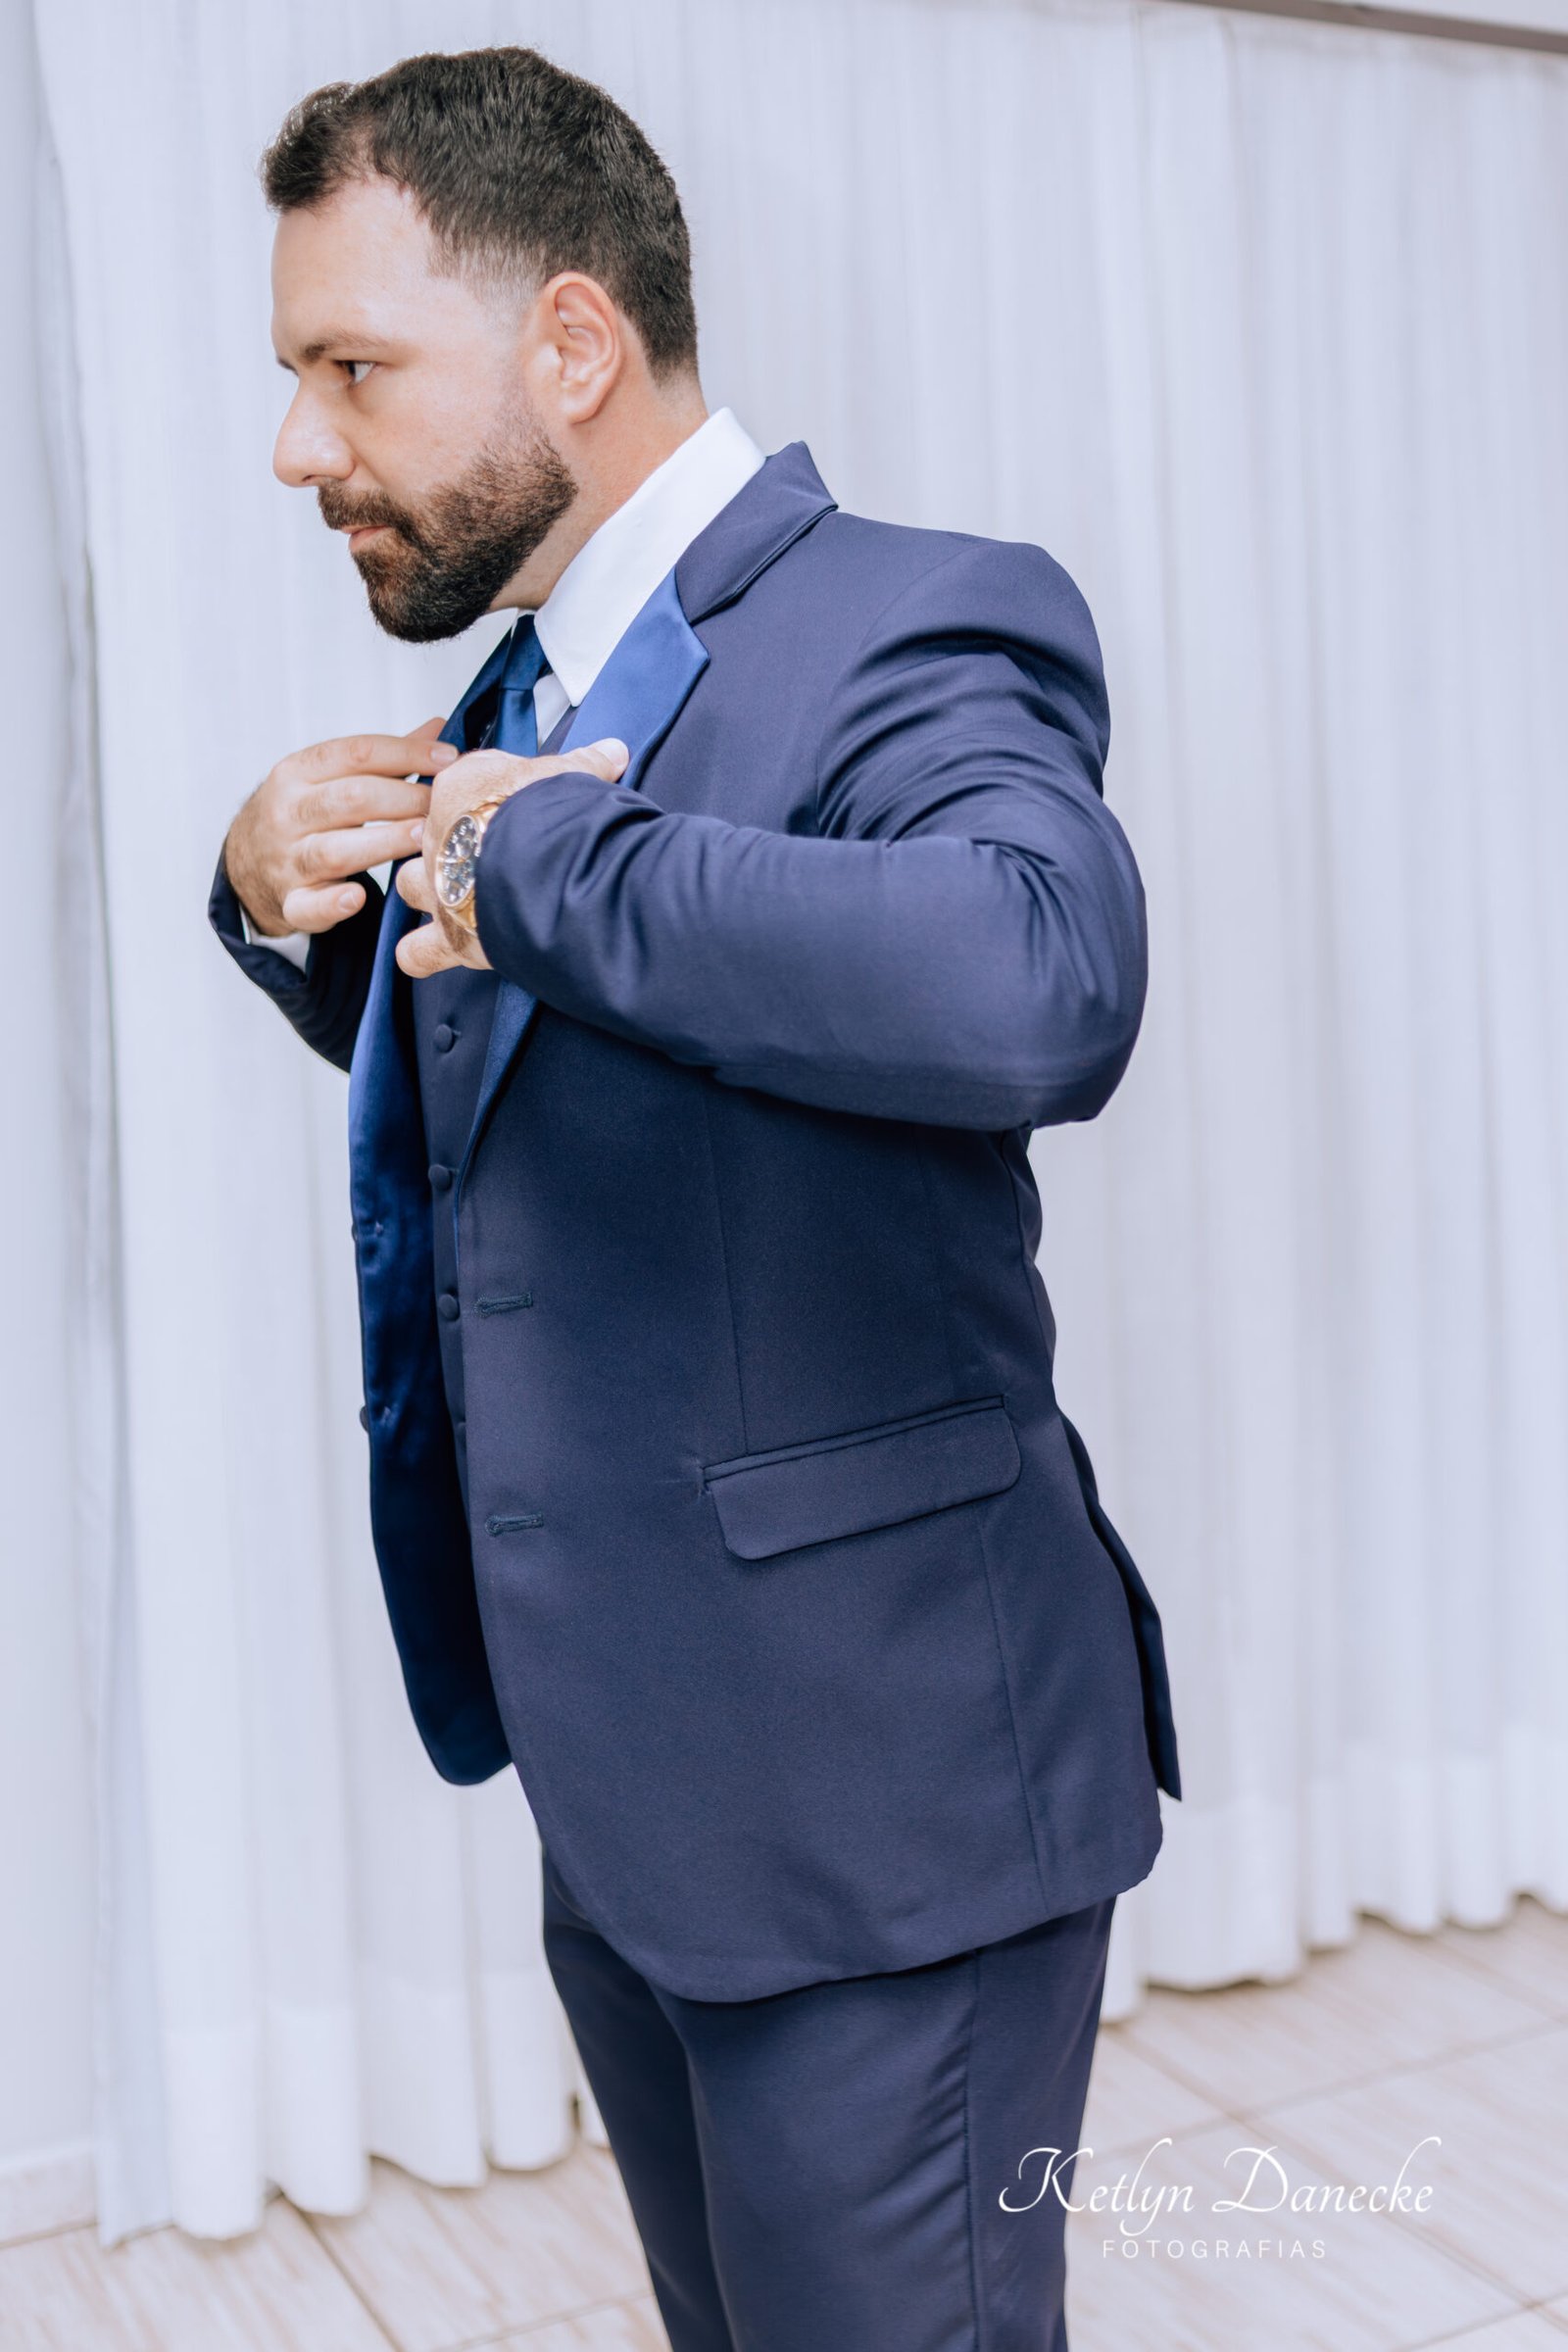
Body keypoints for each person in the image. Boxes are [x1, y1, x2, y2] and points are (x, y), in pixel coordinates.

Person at [212, 44, 1180, 2352]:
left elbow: (1035, 977)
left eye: (352, 368)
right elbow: (586, 1088)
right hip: (641, 1782)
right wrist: (287, 908)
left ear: (571, 340)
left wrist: (535, 860)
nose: (298, 448)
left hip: (882, 1806)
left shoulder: (917, 619)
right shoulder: (523, 690)